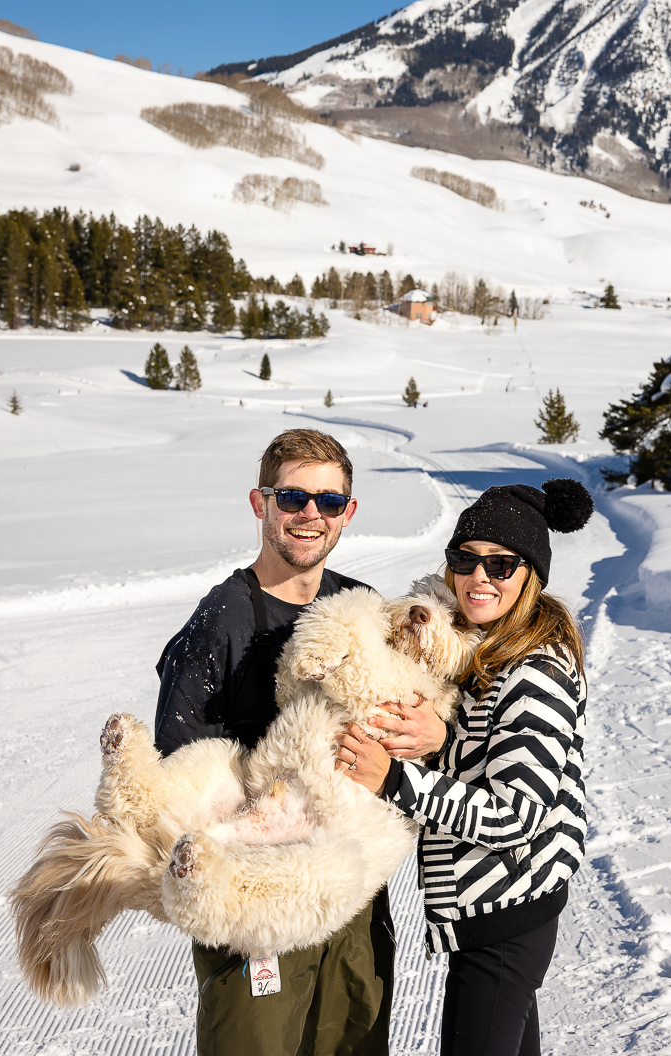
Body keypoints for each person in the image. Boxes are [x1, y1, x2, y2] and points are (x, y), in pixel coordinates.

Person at [155, 427, 396, 1056]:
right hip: (256, 906)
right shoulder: (220, 625)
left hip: (351, 897)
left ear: (348, 512)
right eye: (292, 498)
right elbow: (180, 781)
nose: (310, 514)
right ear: (261, 503)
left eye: (329, 502)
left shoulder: (360, 606)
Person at [337, 478, 593, 1056]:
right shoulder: (488, 648)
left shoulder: (534, 674)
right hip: (498, 907)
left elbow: (515, 815)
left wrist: (394, 779)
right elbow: (489, 749)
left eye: (501, 565)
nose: (480, 577)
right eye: (466, 559)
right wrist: (445, 735)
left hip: (507, 912)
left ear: (530, 576)